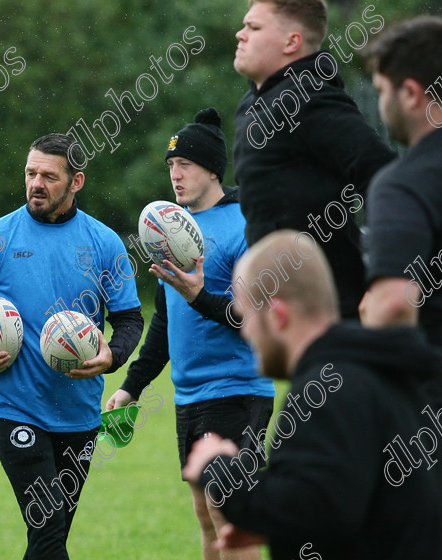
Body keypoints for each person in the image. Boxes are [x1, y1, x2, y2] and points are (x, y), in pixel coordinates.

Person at [0, 133, 143, 559]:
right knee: (48, 528)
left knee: (51, 537)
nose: (36, 183)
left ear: (76, 182)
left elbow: (129, 318)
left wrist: (113, 355)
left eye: (49, 176)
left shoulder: (105, 243)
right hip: (15, 408)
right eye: (31, 173)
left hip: (80, 413)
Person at [183, 230, 442, 560]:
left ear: (277, 316)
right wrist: (271, 527)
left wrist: (218, 468)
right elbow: (349, 505)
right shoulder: (381, 373)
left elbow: (308, 506)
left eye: (248, 316)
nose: (245, 331)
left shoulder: (328, 390)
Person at [108, 108, 274, 560]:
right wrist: (132, 386)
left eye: (186, 165)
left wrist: (201, 295)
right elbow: (165, 322)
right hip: (191, 397)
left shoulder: (245, 225)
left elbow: (254, 317)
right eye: (171, 166)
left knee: (230, 516)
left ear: (213, 169)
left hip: (238, 390)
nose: (175, 175)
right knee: (205, 514)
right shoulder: (171, 230)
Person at [232, 0, 396, 319]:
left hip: (334, 311)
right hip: (287, 312)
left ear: (291, 42)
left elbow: (386, 177)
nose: (240, 34)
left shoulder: (310, 97)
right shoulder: (254, 102)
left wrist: (384, 277)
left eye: (254, 27)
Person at [359, 16, 442, 346]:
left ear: (410, 93)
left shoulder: (403, 184)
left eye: (381, 90)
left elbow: (393, 306)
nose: (380, 104)